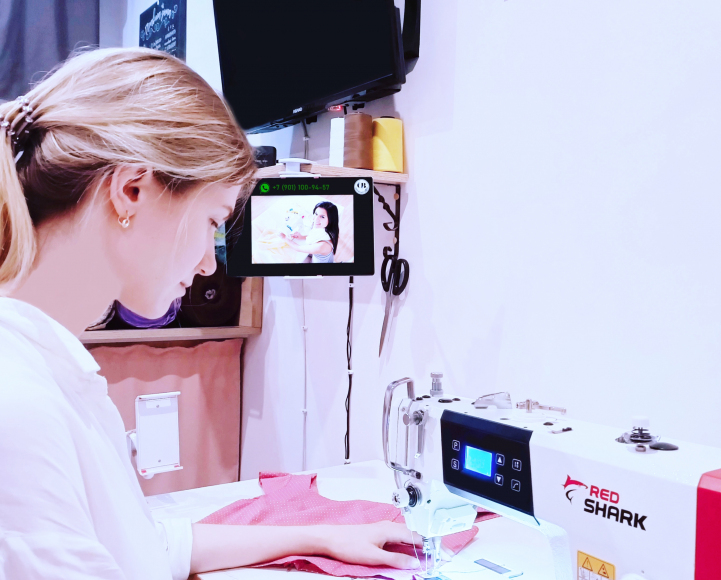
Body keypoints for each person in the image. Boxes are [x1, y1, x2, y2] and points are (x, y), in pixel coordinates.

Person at [0, 48, 419, 580]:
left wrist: (319, 535)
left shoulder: (51, 367)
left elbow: (145, 546)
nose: (207, 264)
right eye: (211, 222)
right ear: (131, 190)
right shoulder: (18, 404)